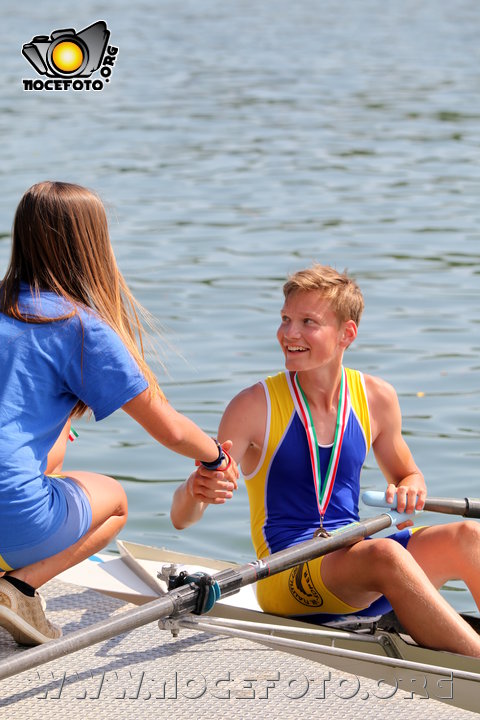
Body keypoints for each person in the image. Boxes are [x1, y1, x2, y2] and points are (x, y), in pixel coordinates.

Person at [171, 263, 480, 657]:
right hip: (287, 574)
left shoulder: (377, 398)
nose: (289, 334)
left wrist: (410, 490)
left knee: (469, 537)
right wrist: (194, 490)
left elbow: (408, 474)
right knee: (386, 554)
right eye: (285, 319)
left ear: (346, 334)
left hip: (355, 563)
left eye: (307, 322)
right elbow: (183, 518)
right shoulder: (253, 407)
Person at [0, 181, 238, 646]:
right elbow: (168, 427)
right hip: (14, 513)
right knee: (115, 501)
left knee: (51, 453)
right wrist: (214, 458)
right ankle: (20, 588)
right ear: (91, 245)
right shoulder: (78, 327)